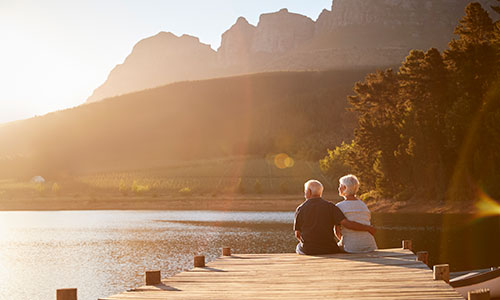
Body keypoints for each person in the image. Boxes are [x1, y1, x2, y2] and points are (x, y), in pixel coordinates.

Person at [294, 179, 376, 255]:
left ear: (309, 192)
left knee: (298, 247)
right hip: (329, 249)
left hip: (308, 250)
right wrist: (368, 228)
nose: (305, 194)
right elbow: (346, 223)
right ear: (320, 192)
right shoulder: (331, 207)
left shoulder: (300, 209)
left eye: (305, 191)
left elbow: (298, 234)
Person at [335, 174, 377, 253]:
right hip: (369, 245)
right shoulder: (363, 205)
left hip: (351, 247)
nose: (338, 188)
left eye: (340, 186)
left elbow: (337, 231)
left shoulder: (339, 206)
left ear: (345, 188)